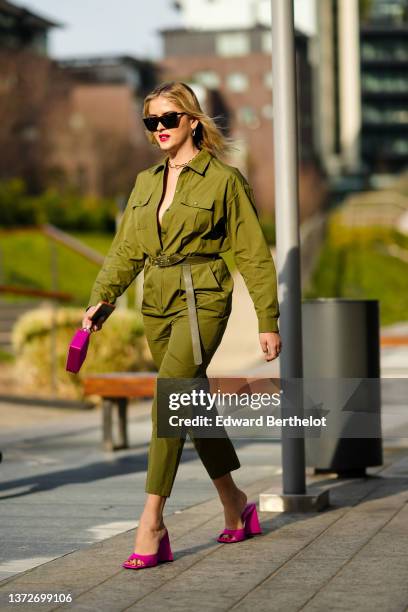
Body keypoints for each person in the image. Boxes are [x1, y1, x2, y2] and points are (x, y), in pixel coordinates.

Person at [83, 81, 282, 570]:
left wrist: (267, 320)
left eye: (168, 119)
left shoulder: (224, 181)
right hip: (158, 300)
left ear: (192, 119)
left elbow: (253, 256)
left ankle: (152, 521)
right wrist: (101, 299)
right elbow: (127, 249)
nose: (159, 129)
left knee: (170, 395)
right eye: (151, 122)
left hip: (204, 297)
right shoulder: (146, 182)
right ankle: (236, 504)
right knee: (188, 401)